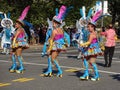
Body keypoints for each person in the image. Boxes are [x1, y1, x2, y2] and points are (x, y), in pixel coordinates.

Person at [41, 5, 69, 77]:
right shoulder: (61, 30)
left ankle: (60, 71)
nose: (52, 24)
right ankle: (50, 70)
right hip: (60, 45)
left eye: (53, 23)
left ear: (57, 23)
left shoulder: (54, 31)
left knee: (53, 59)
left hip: (55, 45)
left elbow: (51, 40)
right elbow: (63, 38)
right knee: (50, 57)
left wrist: (49, 49)